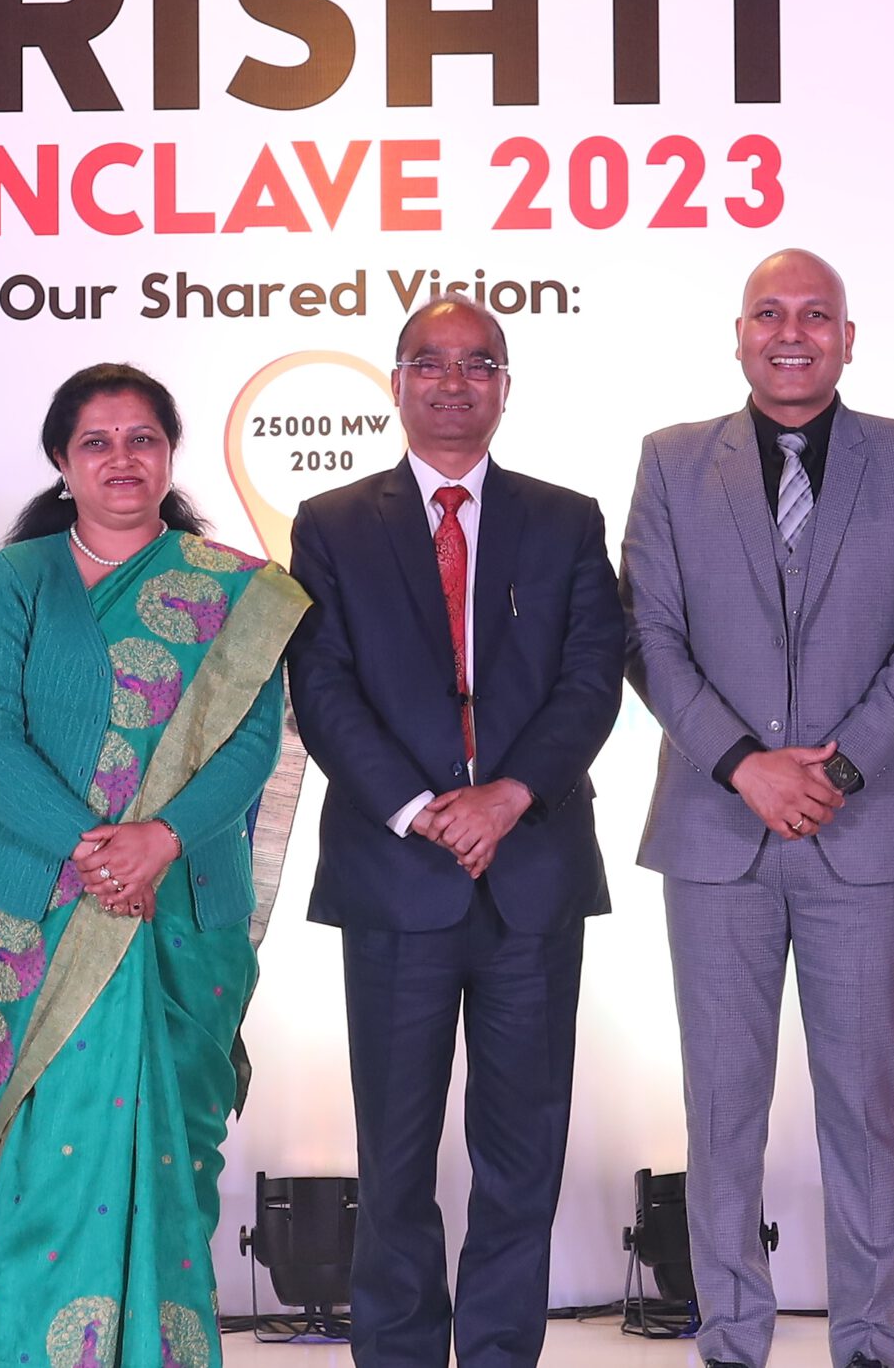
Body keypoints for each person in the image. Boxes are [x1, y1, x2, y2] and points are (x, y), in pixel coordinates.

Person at [620, 249, 894, 1368]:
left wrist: (837, 769)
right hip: (716, 831)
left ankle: (867, 1338)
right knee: (721, 1109)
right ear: (738, 334)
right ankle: (731, 1337)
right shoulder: (672, 461)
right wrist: (745, 766)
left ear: (848, 338)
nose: (791, 332)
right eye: (769, 312)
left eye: (816, 315)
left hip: (861, 830)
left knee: (862, 1107)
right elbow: (647, 636)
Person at [0, 363, 307, 1367]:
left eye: (141, 438)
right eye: (96, 442)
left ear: (169, 453)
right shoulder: (16, 580)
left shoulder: (236, 590)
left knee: (176, 1163)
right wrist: (92, 848)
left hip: (181, 903)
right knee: (50, 1169)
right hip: (35, 907)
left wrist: (161, 840)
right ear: (61, 462)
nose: (120, 459)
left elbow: (250, 743)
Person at [287, 297, 623, 1368]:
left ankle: (498, 1354)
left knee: (523, 1157)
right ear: (395, 384)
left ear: (505, 388)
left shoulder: (565, 519)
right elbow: (322, 685)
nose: (453, 382)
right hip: (397, 874)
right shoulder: (331, 523)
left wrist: (509, 795)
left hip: (532, 875)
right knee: (394, 1159)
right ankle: (396, 1353)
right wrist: (422, 809)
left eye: (479, 364)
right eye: (429, 363)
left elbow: (592, 678)